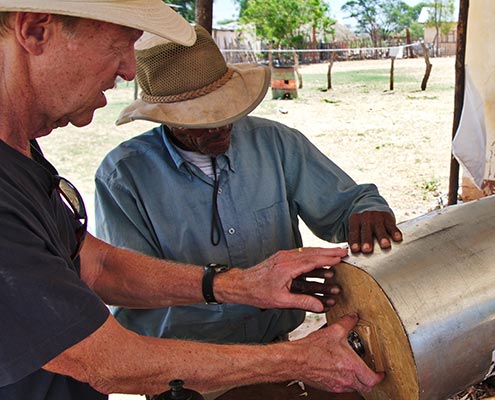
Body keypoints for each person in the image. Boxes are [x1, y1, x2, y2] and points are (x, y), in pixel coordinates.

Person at [0, 1, 382, 398]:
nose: (128, 71)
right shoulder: (120, 174)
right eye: (119, 45)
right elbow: (106, 360)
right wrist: (299, 360)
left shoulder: (22, 156)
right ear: (35, 31)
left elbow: (99, 266)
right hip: (182, 371)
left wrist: (241, 285)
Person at [95, 25, 402, 346]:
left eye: (225, 108)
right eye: (200, 118)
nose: (221, 125)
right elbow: (129, 286)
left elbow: (348, 206)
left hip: (274, 342)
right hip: (184, 360)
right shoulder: (124, 176)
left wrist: (367, 211)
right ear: (165, 117)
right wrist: (245, 290)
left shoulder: (276, 144)